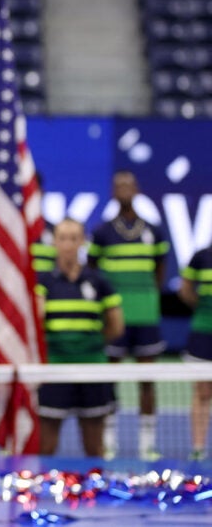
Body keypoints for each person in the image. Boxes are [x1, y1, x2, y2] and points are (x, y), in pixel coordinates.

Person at [88, 170, 169, 460]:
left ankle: (147, 444)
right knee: (110, 379)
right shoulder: (101, 233)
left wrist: (145, 297)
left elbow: (160, 271)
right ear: (112, 192)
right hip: (115, 320)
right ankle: (108, 440)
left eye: (128, 184)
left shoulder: (154, 232)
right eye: (118, 185)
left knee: (147, 380)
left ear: (137, 189)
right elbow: (93, 272)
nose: (123, 189)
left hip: (146, 318)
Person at [37, 218, 124, 458]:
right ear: (54, 242)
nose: (68, 244)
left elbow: (116, 326)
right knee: (45, 446)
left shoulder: (99, 281)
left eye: (74, 238)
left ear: (82, 241)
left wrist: (90, 345)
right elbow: (36, 322)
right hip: (54, 369)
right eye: (63, 238)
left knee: (94, 447)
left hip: (92, 368)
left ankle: (95, 494)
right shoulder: (42, 282)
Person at [179, 245, 212, 461]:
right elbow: (185, 289)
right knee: (202, 392)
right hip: (203, 332)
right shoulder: (201, 256)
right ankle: (198, 448)